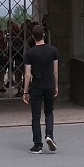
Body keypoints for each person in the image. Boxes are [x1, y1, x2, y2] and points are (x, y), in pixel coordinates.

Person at [22, 24, 58, 154]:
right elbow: (55, 71)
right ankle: (49, 135)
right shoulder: (53, 50)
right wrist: (56, 86)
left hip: (37, 86)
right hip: (49, 85)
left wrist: (25, 91)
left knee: (36, 116)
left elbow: (27, 74)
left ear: (32, 37)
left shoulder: (30, 53)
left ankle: (37, 145)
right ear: (44, 35)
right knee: (49, 112)